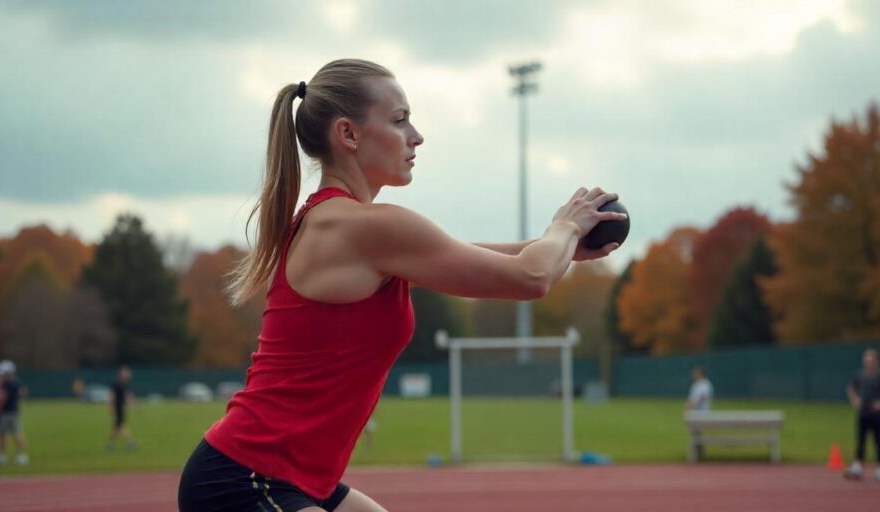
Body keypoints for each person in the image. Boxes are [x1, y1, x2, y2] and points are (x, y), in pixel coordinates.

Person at [176, 58, 624, 512]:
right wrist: (563, 229)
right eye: (399, 120)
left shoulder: (348, 225)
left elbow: (474, 255)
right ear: (348, 134)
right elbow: (531, 277)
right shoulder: (361, 227)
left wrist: (558, 245)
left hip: (291, 476)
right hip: (245, 480)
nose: (416, 135)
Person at [844, 348, 880, 482]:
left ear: (876, 361)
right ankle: (857, 467)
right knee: (861, 440)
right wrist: (855, 400)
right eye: (866, 360)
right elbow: (850, 388)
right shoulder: (860, 375)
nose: (868, 363)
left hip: (877, 415)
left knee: (878, 441)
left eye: (870, 360)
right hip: (863, 413)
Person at [0, 360, 29, 465]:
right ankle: (21, 455)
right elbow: (23, 393)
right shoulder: (17, 381)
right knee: (17, 433)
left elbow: (3, 398)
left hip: (5, 412)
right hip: (15, 411)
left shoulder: (6, 383)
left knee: (2, 434)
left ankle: (3, 456)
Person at [107, 365, 138, 451]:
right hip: (117, 407)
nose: (128, 374)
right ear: (121, 374)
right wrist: (110, 406)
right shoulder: (116, 383)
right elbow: (111, 396)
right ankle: (130, 443)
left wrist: (134, 404)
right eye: (126, 372)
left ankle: (111, 444)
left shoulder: (124, 384)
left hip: (121, 406)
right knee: (121, 425)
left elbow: (128, 395)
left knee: (118, 426)